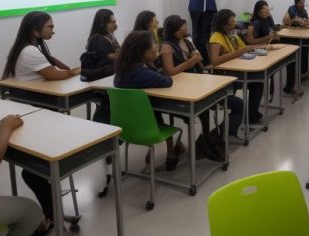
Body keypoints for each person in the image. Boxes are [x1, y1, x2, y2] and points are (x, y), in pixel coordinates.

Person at [1, 11, 78, 236]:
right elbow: (54, 75)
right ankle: (54, 220)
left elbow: (54, 63)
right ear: (35, 30)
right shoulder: (30, 51)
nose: (53, 30)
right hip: (34, 116)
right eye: (49, 26)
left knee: (35, 173)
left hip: (36, 112)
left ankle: (49, 216)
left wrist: (73, 69)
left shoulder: (36, 47)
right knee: (35, 172)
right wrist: (73, 72)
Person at [159, 15, 243, 162]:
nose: (186, 29)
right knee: (206, 111)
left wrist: (202, 67)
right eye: (182, 27)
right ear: (174, 30)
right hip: (182, 89)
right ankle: (207, 143)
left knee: (216, 106)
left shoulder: (187, 40)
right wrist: (192, 61)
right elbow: (170, 72)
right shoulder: (167, 46)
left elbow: (199, 64)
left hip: (196, 82)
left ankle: (210, 140)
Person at [114, 31, 182, 169]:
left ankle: (171, 153)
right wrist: (152, 65)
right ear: (141, 52)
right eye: (153, 47)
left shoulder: (121, 72)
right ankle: (171, 153)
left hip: (124, 129)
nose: (156, 48)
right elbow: (167, 81)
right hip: (148, 128)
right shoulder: (142, 73)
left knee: (153, 109)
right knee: (158, 112)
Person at [209, 9, 267, 132]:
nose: (234, 26)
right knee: (235, 102)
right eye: (231, 24)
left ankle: (249, 117)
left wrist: (260, 47)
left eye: (234, 23)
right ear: (223, 25)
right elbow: (214, 61)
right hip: (225, 79)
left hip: (238, 72)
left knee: (258, 83)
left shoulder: (232, 34)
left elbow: (244, 48)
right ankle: (227, 129)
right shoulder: (216, 37)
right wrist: (237, 53)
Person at [80, 9, 120, 124]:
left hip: (108, 78)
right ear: (103, 23)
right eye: (112, 22)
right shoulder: (98, 39)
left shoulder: (108, 36)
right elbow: (114, 57)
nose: (115, 24)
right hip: (101, 80)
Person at [283, 0, 309, 94]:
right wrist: (302, 21)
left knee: (305, 49)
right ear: (296, 3)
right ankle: (291, 84)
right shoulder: (291, 9)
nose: (303, 4)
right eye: (301, 3)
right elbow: (294, 20)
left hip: (301, 36)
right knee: (294, 58)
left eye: (303, 2)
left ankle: (302, 73)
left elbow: (306, 21)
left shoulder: (304, 10)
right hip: (291, 38)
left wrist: (306, 22)